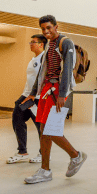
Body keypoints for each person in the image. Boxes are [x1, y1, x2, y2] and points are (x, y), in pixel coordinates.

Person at [22, 15, 87, 184]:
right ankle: (45, 170)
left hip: (57, 90)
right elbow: (42, 70)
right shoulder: (49, 44)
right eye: (43, 29)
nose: (46, 31)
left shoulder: (65, 43)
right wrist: (33, 92)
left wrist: (61, 95)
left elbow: (67, 69)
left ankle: (75, 155)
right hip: (46, 90)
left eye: (49, 28)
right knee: (44, 129)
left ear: (56, 26)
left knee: (50, 130)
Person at [6, 34, 46, 164]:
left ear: (41, 44)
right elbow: (30, 80)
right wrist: (25, 94)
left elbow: (43, 79)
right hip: (26, 95)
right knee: (17, 118)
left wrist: (34, 96)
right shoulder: (33, 59)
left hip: (38, 97)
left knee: (40, 126)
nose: (30, 44)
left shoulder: (44, 59)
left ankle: (44, 153)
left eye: (33, 42)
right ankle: (22, 152)